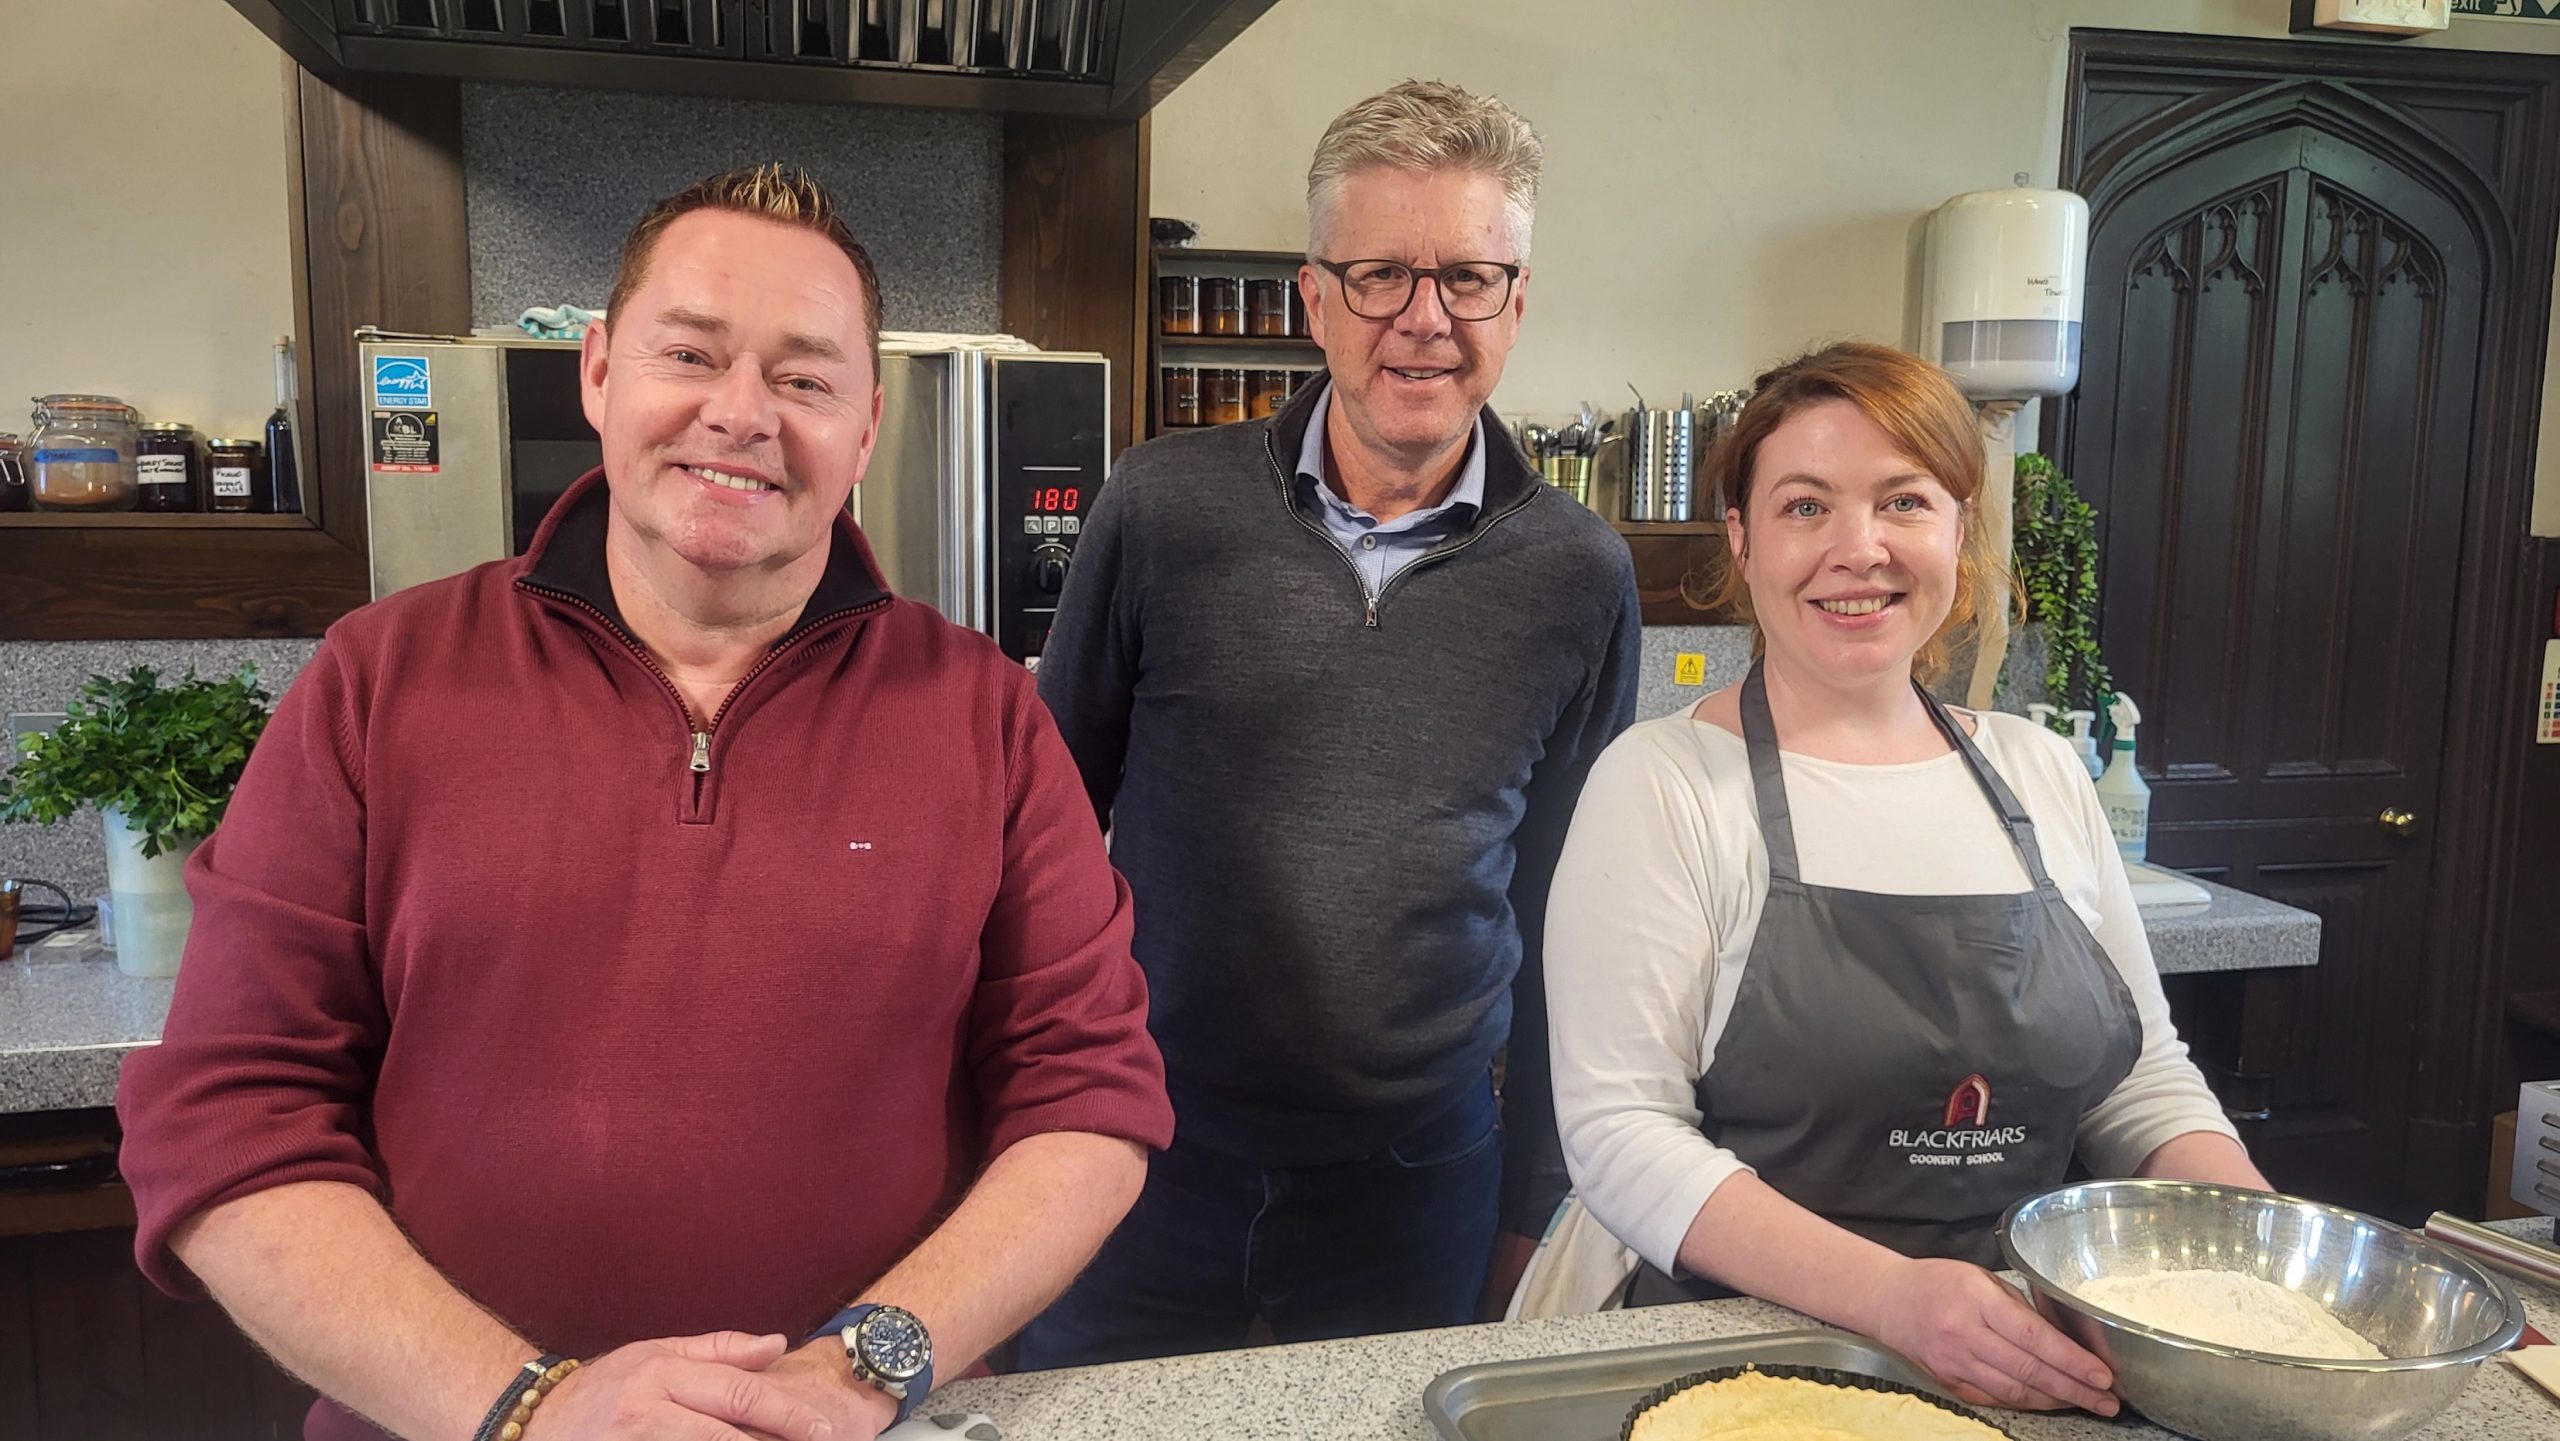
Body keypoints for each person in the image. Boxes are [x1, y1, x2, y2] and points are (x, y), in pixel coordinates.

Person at [114, 165, 1174, 1441]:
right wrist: (525, 1407)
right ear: (602, 372)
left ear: (867, 427)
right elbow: (231, 1115)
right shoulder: (378, 681)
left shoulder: (984, 716)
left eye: (804, 377)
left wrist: (864, 1367)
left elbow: (1089, 1099)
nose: (742, 413)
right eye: (693, 353)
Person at [1017, 79, 1640, 1368]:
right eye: (1378, 276)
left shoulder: (1580, 573)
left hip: (1417, 1173)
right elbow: (1048, 824)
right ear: (1314, 299)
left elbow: (1564, 912)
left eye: (1468, 277)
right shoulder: (1160, 506)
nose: (1424, 319)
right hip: (1140, 1142)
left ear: (1516, 303)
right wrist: (1021, 1112)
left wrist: (1531, 1200)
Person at [1538, 342, 2268, 1415]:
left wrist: (2263, 1250)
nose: (1858, 548)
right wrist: (1895, 1299)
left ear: (1957, 532)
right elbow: (1619, 1139)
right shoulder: (1666, 785)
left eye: (1902, 501)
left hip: (2034, 1359)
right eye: (1803, 507)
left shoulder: (2040, 773)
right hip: (1731, 1367)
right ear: (1740, 541)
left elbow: (2141, 1082)